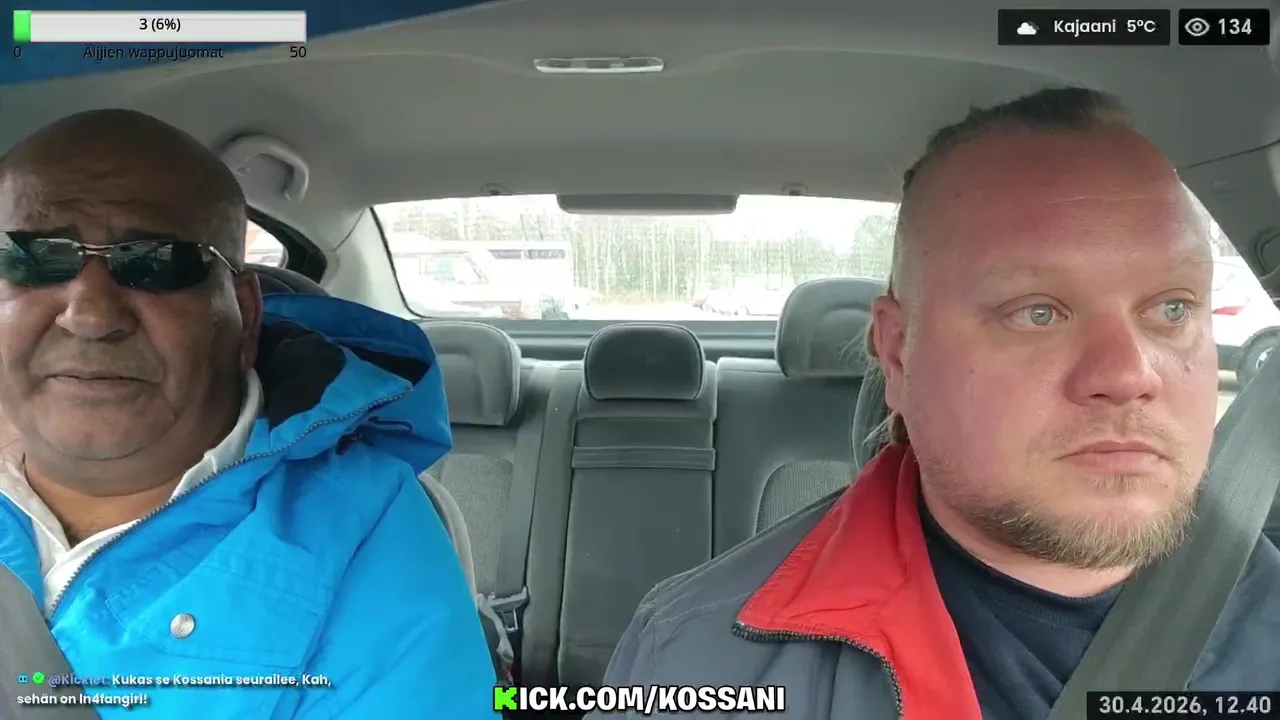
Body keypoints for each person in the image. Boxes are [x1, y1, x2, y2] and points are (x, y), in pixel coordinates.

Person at [590, 87, 1280, 719]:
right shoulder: (699, 662)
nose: (1129, 373)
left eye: (1171, 308)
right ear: (898, 355)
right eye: (1037, 312)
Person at [0, 110, 498, 718]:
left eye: (157, 261)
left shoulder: (368, 532)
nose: (91, 315)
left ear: (243, 316)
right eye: (32, 257)